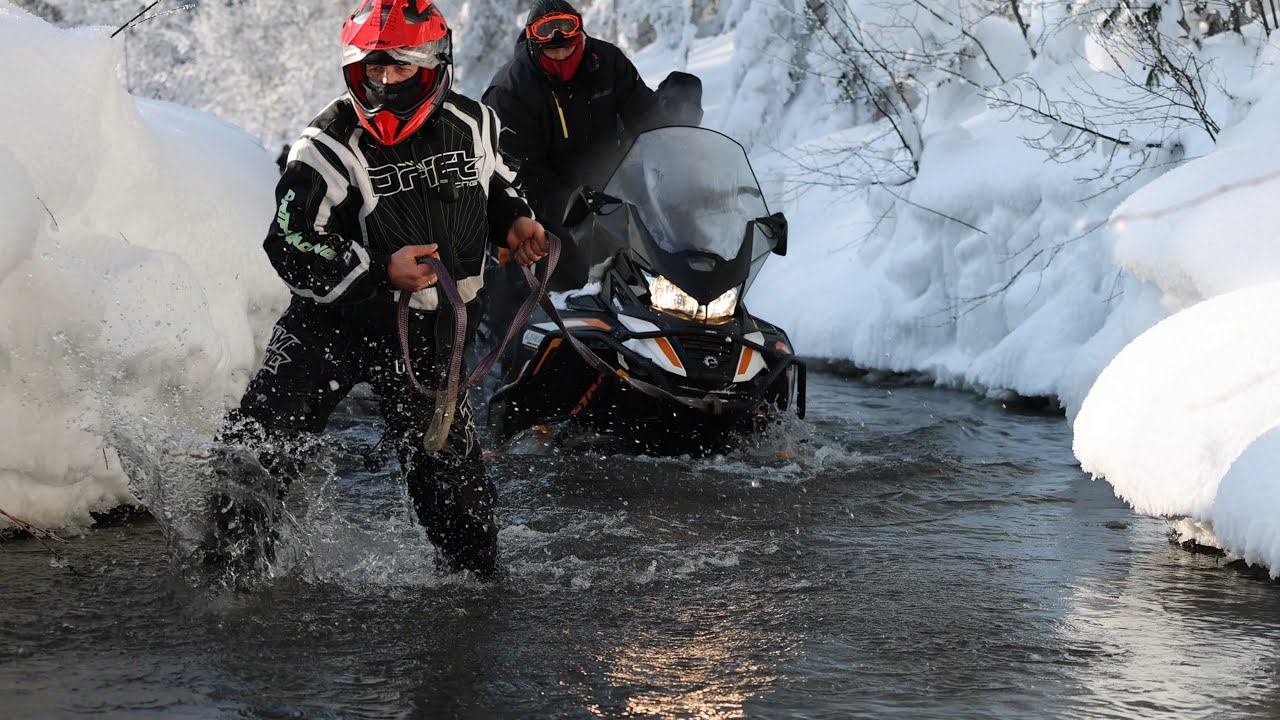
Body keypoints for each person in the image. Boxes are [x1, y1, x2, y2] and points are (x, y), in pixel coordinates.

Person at [208, 0, 547, 580]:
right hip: (328, 325)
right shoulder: (323, 145)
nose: (385, 83)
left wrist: (515, 221)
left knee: (454, 493)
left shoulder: (476, 123)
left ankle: (473, 610)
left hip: (432, 330)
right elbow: (287, 241)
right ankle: (224, 590)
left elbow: (497, 185)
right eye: (373, 69)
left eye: (399, 69)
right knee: (254, 455)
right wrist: (375, 271)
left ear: (434, 64)